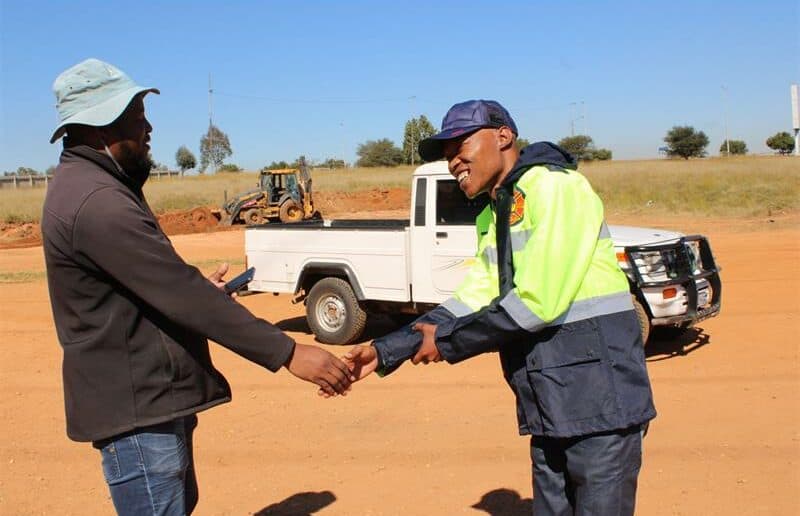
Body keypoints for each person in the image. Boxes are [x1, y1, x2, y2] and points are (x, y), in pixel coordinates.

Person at [42, 58, 354, 516]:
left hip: (148, 402)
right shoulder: (97, 201)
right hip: (138, 414)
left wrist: (196, 290)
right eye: (134, 116)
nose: (147, 127)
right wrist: (289, 353)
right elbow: (177, 290)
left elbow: (152, 283)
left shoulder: (97, 185)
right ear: (99, 128)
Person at [344, 99, 656, 515]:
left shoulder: (556, 187)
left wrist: (449, 343)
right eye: (446, 154)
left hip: (600, 403)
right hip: (550, 404)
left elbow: (537, 302)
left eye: (460, 146)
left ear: (503, 136)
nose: (453, 161)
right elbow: (473, 295)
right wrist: (388, 350)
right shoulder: (494, 214)